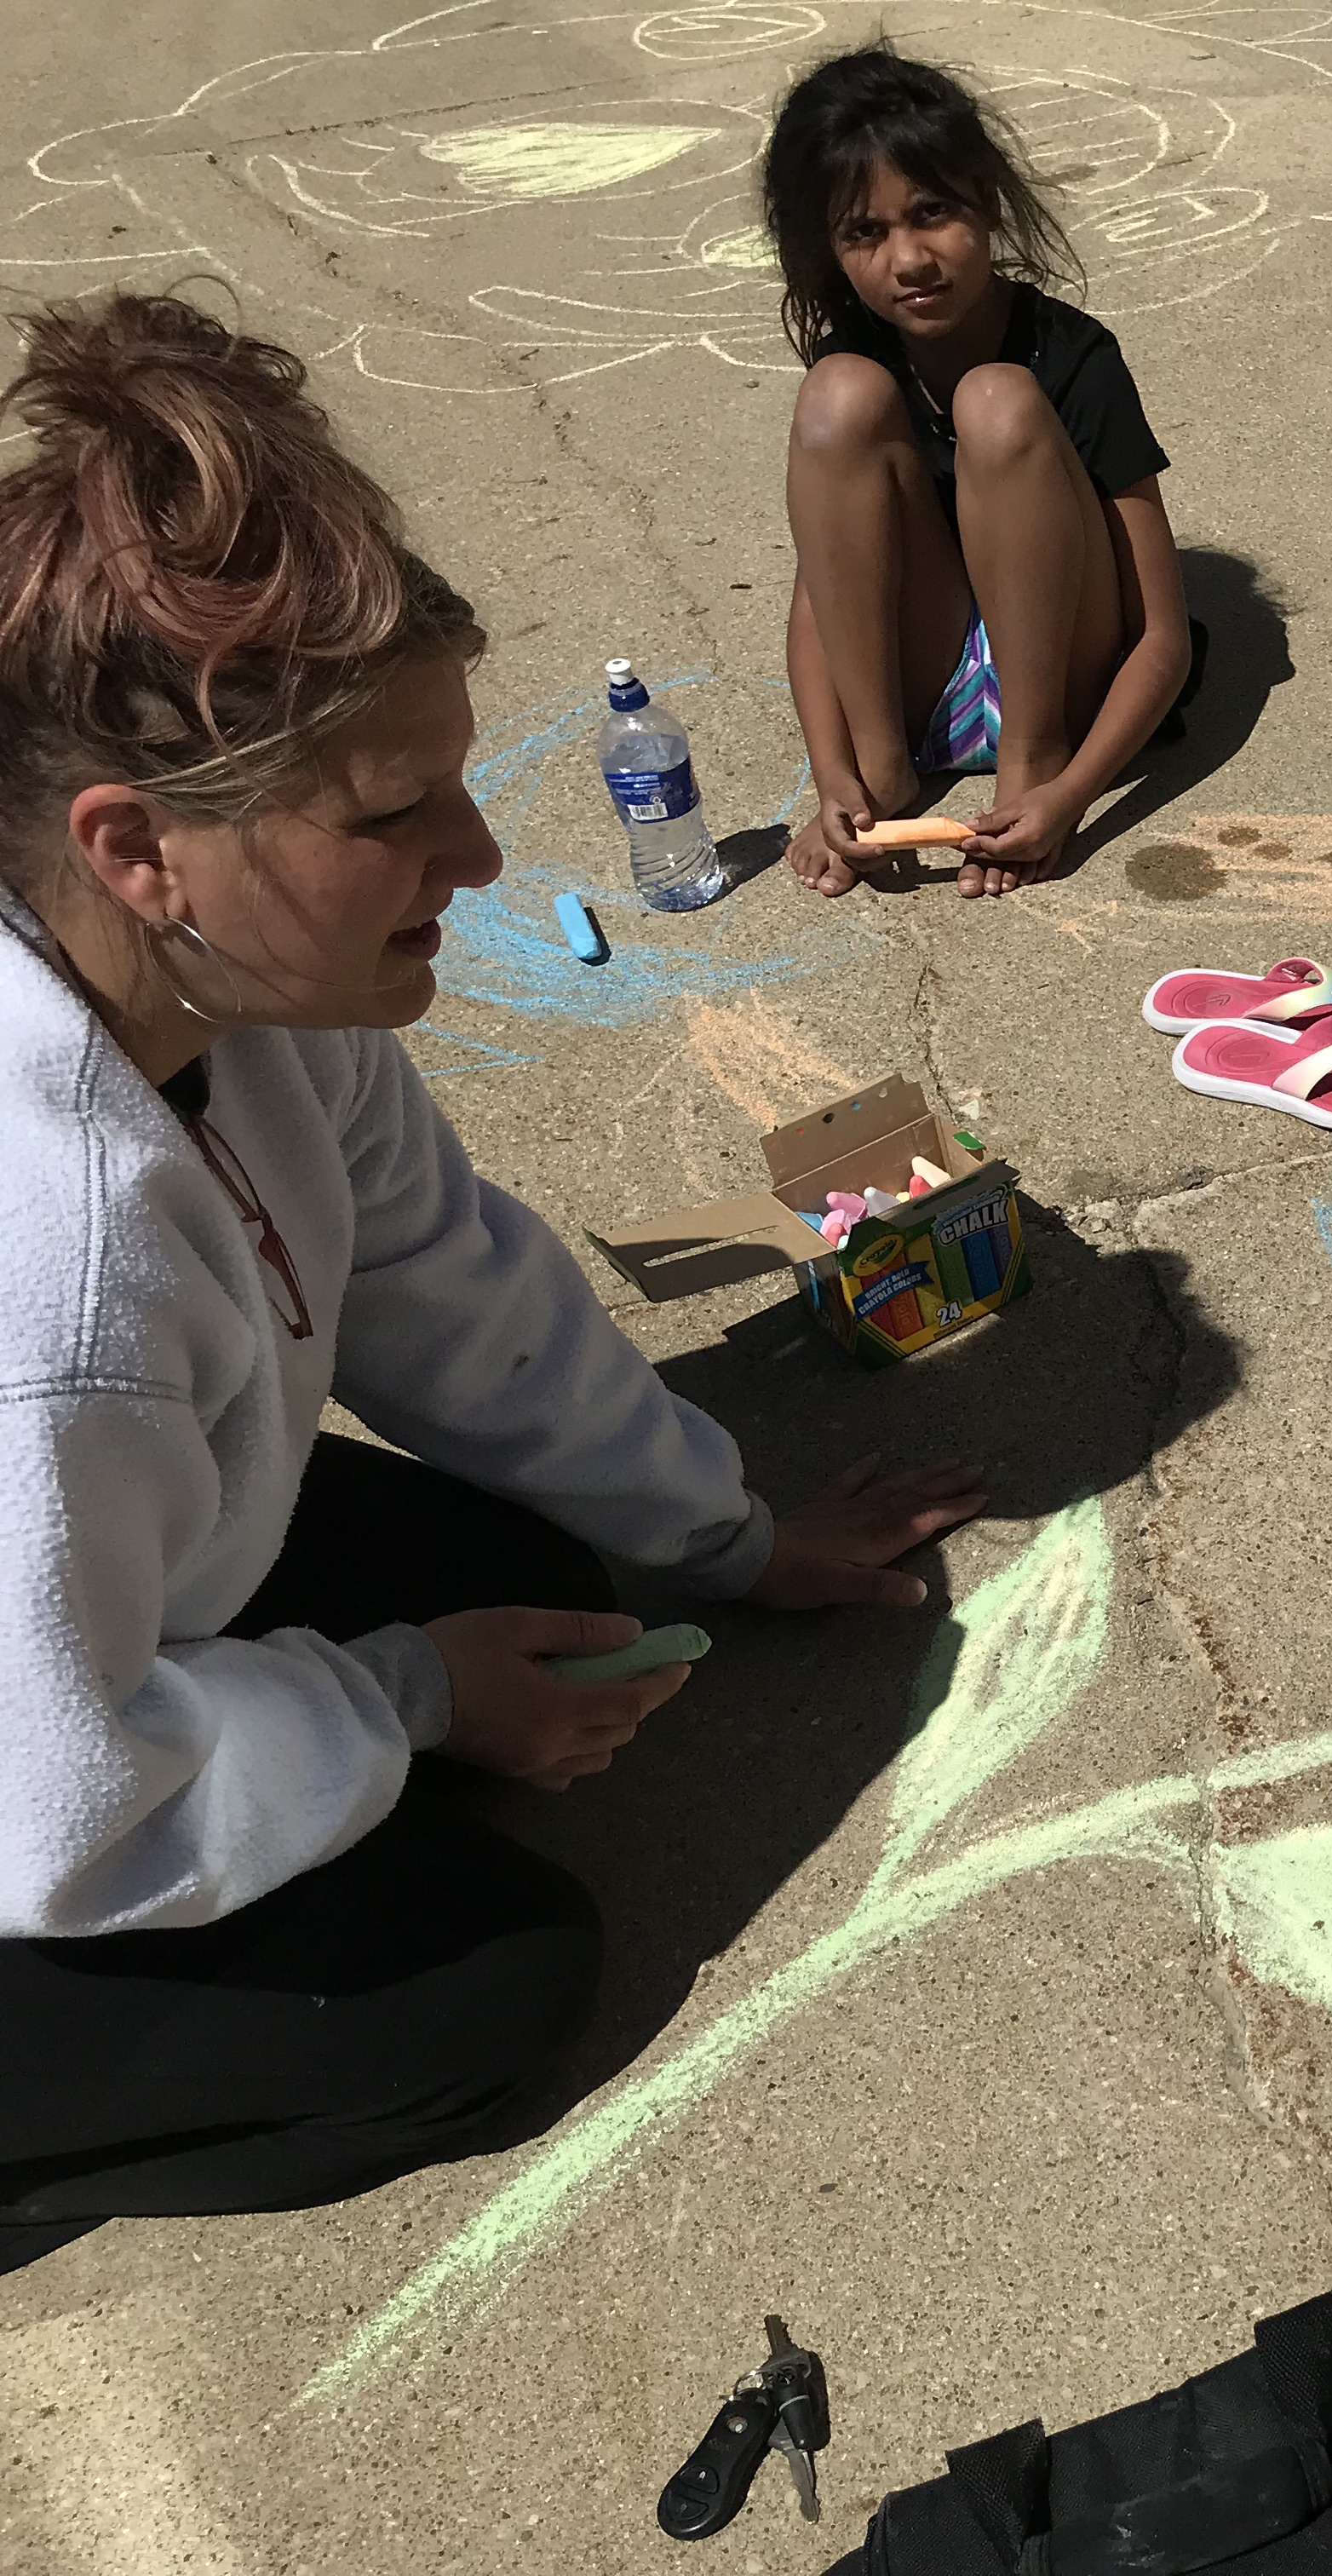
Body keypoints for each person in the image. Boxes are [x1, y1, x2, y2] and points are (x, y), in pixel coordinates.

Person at [0, 292, 990, 2276]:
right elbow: (64, 1810)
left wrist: (729, 1536)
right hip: (26, 1786)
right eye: (391, 816)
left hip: (82, 1586)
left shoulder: (247, 1000)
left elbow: (447, 1287)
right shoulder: (60, 1289)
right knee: (484, 1991)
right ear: (136, 852)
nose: (474, 853)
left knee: (571, 1591)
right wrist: (407, 1698)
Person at [769, 43, 1198, 902]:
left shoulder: (1073, 355)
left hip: (1063, 692)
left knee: (998, 400)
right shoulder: (855, 362)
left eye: (932, 212)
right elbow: (820, 595)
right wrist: (834, 775)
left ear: (989, 202)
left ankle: (1028, 759)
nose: (909, 260)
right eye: (865, 232)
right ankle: (884, 769)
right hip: (922, 692)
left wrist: (1070, 796)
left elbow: (1164, 637)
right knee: (837, 394)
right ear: (831, 250)